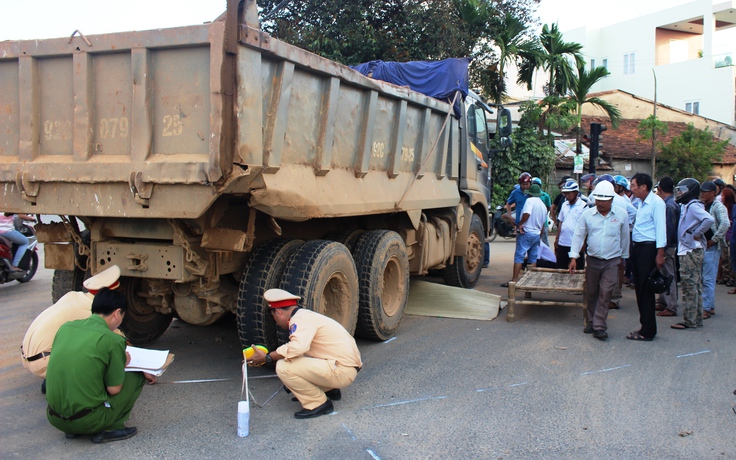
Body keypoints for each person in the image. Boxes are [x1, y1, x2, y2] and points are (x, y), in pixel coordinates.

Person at [45, 288, 157, 443]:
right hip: (88, 421)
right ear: (117, 313)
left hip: (55, 419)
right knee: (136, 376)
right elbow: (114, 389)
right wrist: (122, 361)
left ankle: (71, 429)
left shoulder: (66, 328)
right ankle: (111, 428)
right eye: (122, 317)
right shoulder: (113, 340)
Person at [247, 289, 363, 419]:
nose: (276, 322)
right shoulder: (306, 316)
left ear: (278, 312)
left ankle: (317, 403)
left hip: (342, 371)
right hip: (345, 366)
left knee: (283, 367)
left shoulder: (299, 320)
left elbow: (296, 348)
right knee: (295, 358)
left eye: (274, 318)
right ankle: (330, 390)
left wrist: (268, 357)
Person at [21, 265, 122, 394]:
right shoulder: (93, 310)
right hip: (41, 362)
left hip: (26, 355)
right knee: (101, 350)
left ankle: (54, 375)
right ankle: (60, 379)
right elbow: (117, 339)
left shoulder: (73, 296)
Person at [568, 181, 630, 340]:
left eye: (604, 200)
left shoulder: (621, 214)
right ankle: (591, 321)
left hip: (612, 260)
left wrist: (624, 258)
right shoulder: (587, 215)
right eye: (598, 200)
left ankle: (600, 326)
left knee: (606, 292)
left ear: (611, 200)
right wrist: (573, 257)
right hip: (593, 260)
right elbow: (579, 235)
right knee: (592, 292)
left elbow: (625, 237)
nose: (600, 203)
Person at [626, 173, 666, 342]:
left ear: (644, 187)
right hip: (638, 248)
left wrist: (660, 253)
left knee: (645, 290)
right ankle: (645, 326)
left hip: (649, 249)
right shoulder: (640, 203)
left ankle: (648, 330)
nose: (631, 189)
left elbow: (661, 229)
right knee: (640, 288)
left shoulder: (656, 203)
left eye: (634, 185)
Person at [671, 178, 714, 330]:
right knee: (695, 285)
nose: (680, 193)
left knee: (689, 286)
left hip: (690, 251)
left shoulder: (693, 206)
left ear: (690, 191)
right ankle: (696, 319)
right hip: (690, 249)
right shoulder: (688, 205)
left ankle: (690, 320)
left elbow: (709, 219)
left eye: (682, 190)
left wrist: (696, 233)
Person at [503, 184, 548, 286]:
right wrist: (539, 234)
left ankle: (514, 280)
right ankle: (532, 281)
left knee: (519, 256)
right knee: (533, 258)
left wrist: (520, 224)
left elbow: (526, 213)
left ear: (530, 194)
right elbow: (542, 223)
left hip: (527, 231)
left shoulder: (529, 201)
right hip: (536, 233)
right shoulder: (543, 205)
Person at [699, 181, 730, 319]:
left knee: (708, 279)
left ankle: (706, 308)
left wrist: (714, 239)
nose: (702, 194)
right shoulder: (702, 205)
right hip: (703, 245)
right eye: (702, 191)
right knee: (705, 278)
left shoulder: (718, 206)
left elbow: (725, 223)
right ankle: (709, 306)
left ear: (713, 193)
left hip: (712, 246)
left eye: (705, 191)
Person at [655, 178, 680, 317]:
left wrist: (662, 248)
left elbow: (669, 229)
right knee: (664, 274)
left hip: (668, 246)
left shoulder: (669, 206)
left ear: (660, 189)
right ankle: (664, 301)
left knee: (669, 275)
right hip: (668, 245)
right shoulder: (670, 204)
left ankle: (671, 306)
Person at [555, 179, 586, 270]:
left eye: (569, 193)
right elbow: (561, 222)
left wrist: (584, 243)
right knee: (561, 268)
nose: (567, 196)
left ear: (576, 193)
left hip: (576, 244)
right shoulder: (564, 205)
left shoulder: (583, 206)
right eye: (565, 194)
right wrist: (557, 238)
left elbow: (586, 227)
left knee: (577, 269)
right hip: (563, 242)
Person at [532, 177, 551, 245]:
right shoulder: (530, 195)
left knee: (544, 240)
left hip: (543, 221)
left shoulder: (545, 196)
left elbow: (549, 207)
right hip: (533, 221)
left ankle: (547, 255)